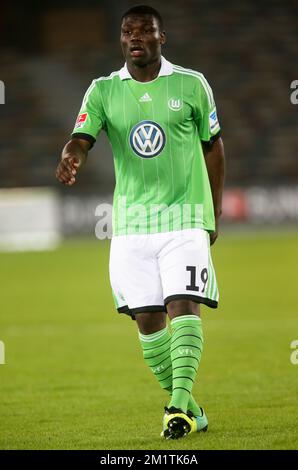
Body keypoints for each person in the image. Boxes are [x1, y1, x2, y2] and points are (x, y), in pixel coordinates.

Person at [56, 4, 225, 440]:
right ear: (121, 40)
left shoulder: (191, 84)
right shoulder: (103, 91)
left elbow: (213, 147)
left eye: (145, 31)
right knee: (149, 323)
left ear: (160, 37)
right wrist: (71, 155)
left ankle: (176, 411)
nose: (136, 38)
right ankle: (191, 407)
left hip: (184, 216)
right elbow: (81, 137)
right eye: (128, 31)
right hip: (131, 224)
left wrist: (215, 210)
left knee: (183, 305)